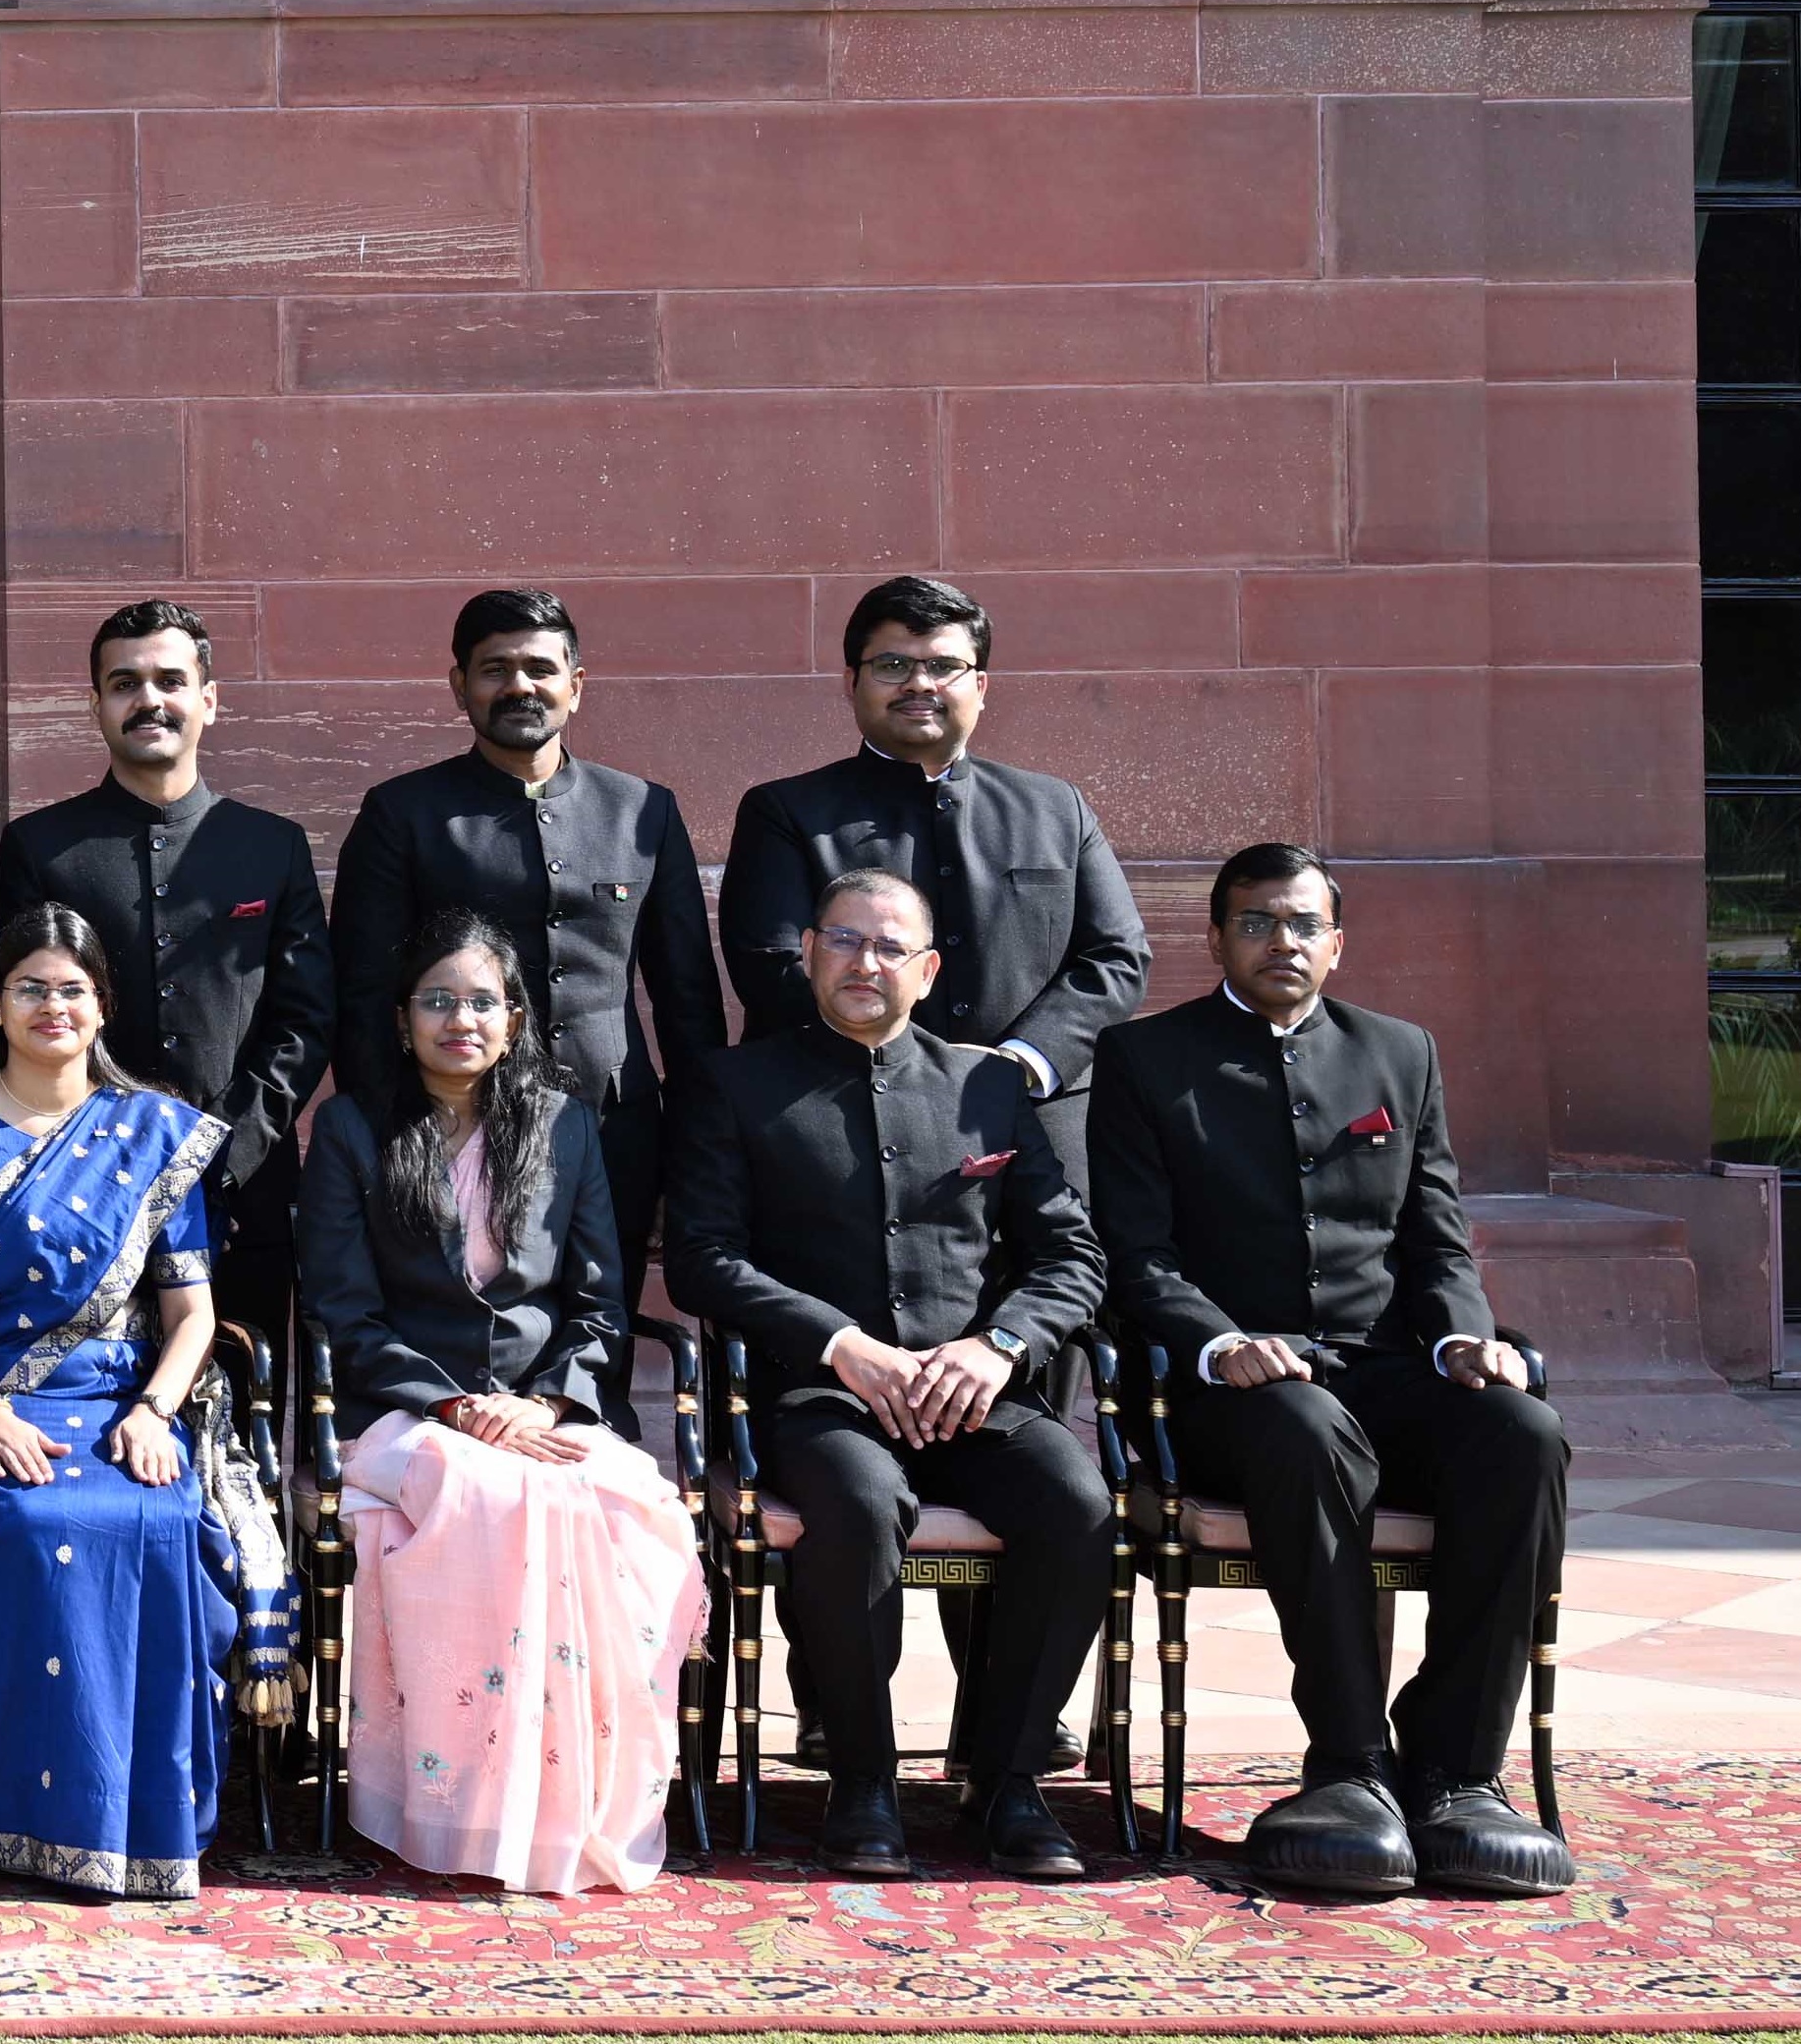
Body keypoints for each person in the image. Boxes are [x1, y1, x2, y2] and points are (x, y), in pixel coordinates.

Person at [1089, 846, 1579, 1902]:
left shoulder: (1399, 1052)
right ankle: (1349, 1762)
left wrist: (1462, 1340)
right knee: (1304, 1424)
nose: (1283, 943)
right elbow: (1137, 1258)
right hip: (1230, 1393)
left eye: (1303, 924)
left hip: (1385, 1369)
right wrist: (1220, 1341)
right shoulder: (1143, 1060)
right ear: (1215, 937)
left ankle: (1453, 1771)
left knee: (1520, 1432)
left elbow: (1436, 1240)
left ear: (1336, 942)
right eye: (1257, 923)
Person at [665, 869, 1119, 1883]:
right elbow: (702, 1253)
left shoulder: (987, 1085)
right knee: (860, 1505)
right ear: (808, 954)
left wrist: (995, 1346)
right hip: (818, 1393)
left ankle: (1003, 1780)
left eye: (886, 947)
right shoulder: (735, 1083)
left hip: (971, 1390)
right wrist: (842, 1344)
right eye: (842, 940)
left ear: (926, 968)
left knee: (1076, 1502)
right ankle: (861, 1778)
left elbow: (1069, 1258)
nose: (863, 963)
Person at [0, 904, 289, 1902]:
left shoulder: (155, 1132)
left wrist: (151, 1411)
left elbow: (190, 1313)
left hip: (121, 1406)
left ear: (100, 1004)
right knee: (29, 1519)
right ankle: (21, 1817)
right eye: (29, 987)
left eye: (71, 988)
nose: (50, 1005)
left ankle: (151, 1828)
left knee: (158, 1521)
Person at [285, 912, 695, 1895]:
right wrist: (456, 1408)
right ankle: (457, 1803)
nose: (458, 1019)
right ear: (400, 1021)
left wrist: (549, 1405)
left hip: (543, 1411)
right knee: (498, 1499)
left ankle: (579, 1804)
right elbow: (341, 1308)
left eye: (480, 1001)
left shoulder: (561, 1126)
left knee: (626, 1506)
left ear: (513, 1019)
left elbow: (598, 1304)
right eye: (436, 1000)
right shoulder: (351, 1128)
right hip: (401, 1411)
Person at [0, 600, 334, 1341]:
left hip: (244, 1183)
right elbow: (25, 1019)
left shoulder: (271, 845)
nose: (149, 699)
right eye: (125, 683)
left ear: (207, 699)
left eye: (170, 680)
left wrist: (226, 1150)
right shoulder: (41, 847)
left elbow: (304, 1020)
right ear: (97, 706)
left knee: (243, 1415)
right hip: (77, 1186)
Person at [720, 576, 1142, 1103]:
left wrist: (1023, 1062)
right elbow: (774, 967)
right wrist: (919, 1072)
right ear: (851, 682)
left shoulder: (1056, 808)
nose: (920, 684)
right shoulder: (785, 812)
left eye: (944, 667)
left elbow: (1116, 957)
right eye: (893, 666)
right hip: (837, 1111)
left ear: (981, 688)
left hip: (1032, 1112)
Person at [327, 588, 720, 1131]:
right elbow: (364, 997)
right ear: (459, 687)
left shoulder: (643, 809)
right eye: (495, 670)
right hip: (454, 1131)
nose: (519, 687)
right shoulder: (402, 813)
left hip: (619, 1130)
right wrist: (387, 1141)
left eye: (540, 668)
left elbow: (689, 1002)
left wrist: (696, 1155)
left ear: (575, 687)